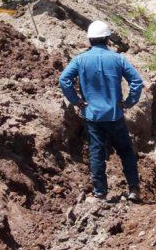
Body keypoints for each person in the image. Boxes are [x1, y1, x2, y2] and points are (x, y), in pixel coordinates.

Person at [59, 20, 144, 202]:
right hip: (115, 115)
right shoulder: (118, 59)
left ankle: (100, 192)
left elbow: (64, 80)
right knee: (126, 151)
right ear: (107, 39)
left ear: (90, 40)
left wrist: (78, 102)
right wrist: (128, 102)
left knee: (96, 153)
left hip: (93, 116)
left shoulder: (80, 60)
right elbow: (136, 82)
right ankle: (134, 189)